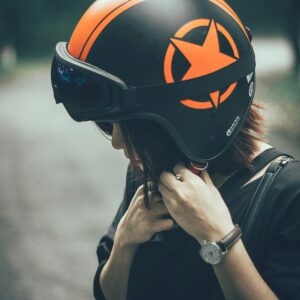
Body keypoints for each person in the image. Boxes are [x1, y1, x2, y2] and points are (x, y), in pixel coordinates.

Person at [51, 0, 300, 299]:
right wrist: (124, 243)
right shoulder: (148, 172)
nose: (117, 143)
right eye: (107, 125)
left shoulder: (288, 195)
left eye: (128, 128)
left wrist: (219, 238)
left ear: (186, 121)